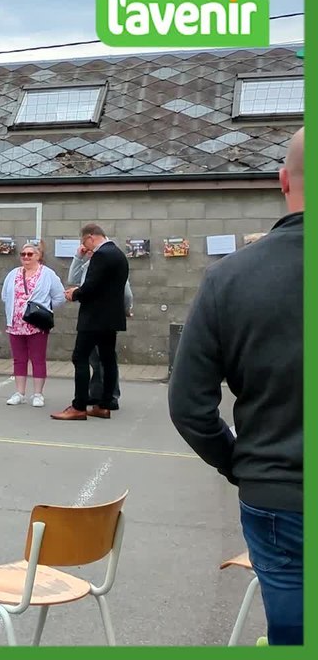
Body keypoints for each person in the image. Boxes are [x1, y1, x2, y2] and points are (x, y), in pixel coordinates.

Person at [169, 127, 304, 646]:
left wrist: (238, 462)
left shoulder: (231, 277)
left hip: (278, 491)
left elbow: (188, 405)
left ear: (281, 180)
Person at [52, 224, 130, 421]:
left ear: (90, 237)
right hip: (111, 318)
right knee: (108, 359)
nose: (85, 246)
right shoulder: (119, 254)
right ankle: (104, 405)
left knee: (80, 358)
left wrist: (74, 294)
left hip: (94, 318)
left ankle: (78, 406)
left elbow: (91, 286)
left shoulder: (102, 255)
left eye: (84, 242)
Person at [0, 243, 66, 408]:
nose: (26, 257)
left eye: (30, 254)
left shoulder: (48, 274)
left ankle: (38, 394)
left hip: (36, 324)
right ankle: (19, 393)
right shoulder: (13, 274)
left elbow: (60, 297)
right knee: (19, 359)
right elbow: (4, 296)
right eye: (23, 254)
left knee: (38, 359)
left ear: (38, 256)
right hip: (15, 324)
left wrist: (44, 308)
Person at [69, 245, 134, 409]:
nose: (91, 253)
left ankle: (110, 396)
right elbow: (73, 279)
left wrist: (126, 308)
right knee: (97, 359)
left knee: (100, 359)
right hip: (92, 317)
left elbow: (125, 292)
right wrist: (78, 257)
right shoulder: (88, 266)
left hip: (99, 318)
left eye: (91, 250)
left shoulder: (107, 265)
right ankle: (98, 395)